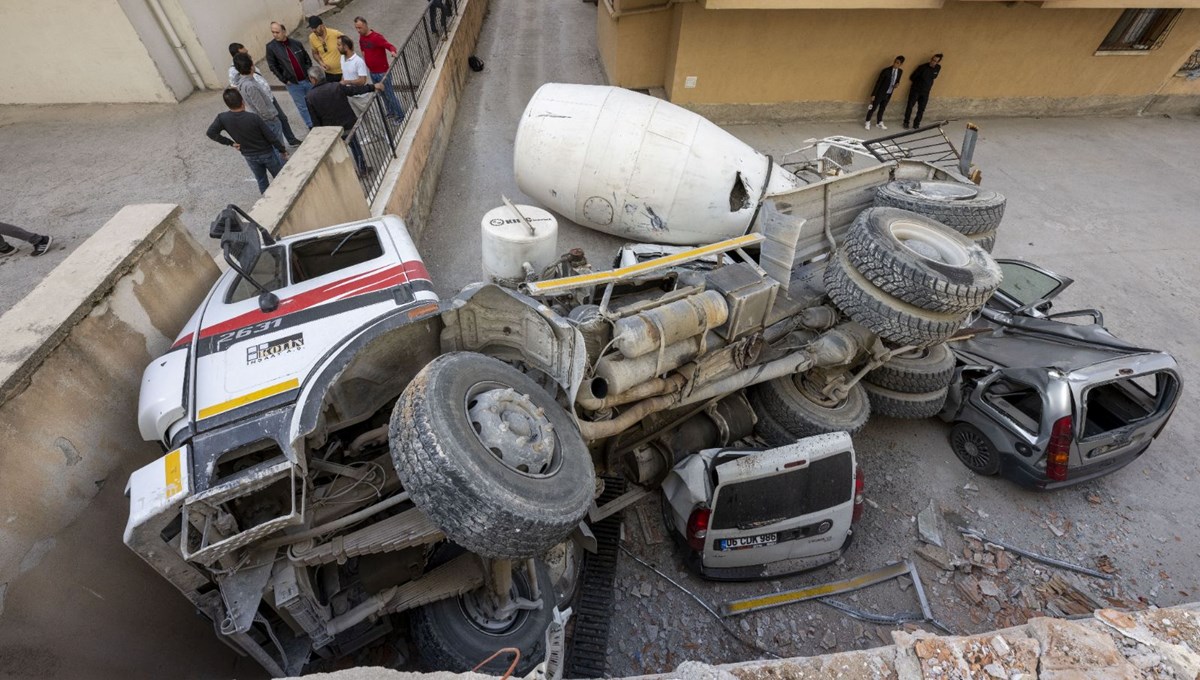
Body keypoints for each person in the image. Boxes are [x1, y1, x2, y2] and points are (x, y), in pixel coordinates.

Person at [207, 88, 289, 194]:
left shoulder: (222, 118)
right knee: (279, 178)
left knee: (262, 181)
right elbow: (271, 137)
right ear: (242, 102)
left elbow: (211, 133)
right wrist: (282, 150)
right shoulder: (253, 118)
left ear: (227, 104)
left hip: (249, 155)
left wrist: (230, 143)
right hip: (266, 153)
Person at [304, 66, 384, 172]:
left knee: (339, 153)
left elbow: (315, 120)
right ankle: (362, 168)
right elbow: (355, 90)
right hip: (347, 124)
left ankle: (348, 172)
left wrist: (321, 135)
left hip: (332, 131)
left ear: (313, 79)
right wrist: (373, 87)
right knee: (355, 147)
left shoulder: (310, 97)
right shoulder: (337, 86)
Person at [229, 42, 302, 146]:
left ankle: (290, 140)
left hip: (268, 96)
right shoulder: (235, 71)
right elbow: (236, 87)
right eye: (244, 53)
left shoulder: (248, 62)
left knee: (282, 118)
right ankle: (279, 149)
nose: (248, 54)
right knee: (273, 126)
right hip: (259, 99)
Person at [232, 53, 291, 150]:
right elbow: (261, 108)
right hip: (269, 120)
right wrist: (272, 118)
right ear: (251, 66)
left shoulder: (242, 82)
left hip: (266, 120)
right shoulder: (250, 85)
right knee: (278, 148)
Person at [354, 17, 405, 121]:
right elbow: (363, 50)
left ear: (365, 25)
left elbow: (389, 46)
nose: (358, 30)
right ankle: (390, 112)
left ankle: (400, 115)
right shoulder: (361, 38)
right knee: (382, 94)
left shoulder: (376, 37)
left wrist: (393, 52)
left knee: (389, 95)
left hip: (382, 73)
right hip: (372, 72)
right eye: (356, 28)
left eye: (360, 27)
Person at [265, 22, 315, 129]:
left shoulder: (296, 43)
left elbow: (307, 59)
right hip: (293, 83)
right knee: (302, 106)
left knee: (314, 102)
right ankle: (311, 125)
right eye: (273, 32)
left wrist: (309, 72)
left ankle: (319, 122)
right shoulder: (271, 47)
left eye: (277, 32)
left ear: (284, 31)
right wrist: (284, 80)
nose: (275, 35)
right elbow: (272, 66)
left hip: (307, 79)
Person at [865, 55, 905, 131]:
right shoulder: (886, 71)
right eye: (895, 62)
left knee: (882, 108)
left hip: (889, 92)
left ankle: (879, 122)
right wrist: (873, 94)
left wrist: (897, 84)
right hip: (880, 92)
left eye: (897, 63)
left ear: (901, 64)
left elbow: (898, 80)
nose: (895, 64)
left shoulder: (900, 72)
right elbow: (878, 83)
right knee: (873, 107)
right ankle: (867, 122)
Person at [904, 54, 943, 130]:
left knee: (921, 109)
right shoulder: (922, 67)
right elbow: (912, 77)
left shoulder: (938, 68)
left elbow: (934, 76)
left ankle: (916, 124)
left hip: (926, 92)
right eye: (932, 60)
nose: (933, 62)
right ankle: (906, 122)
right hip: (916, 90)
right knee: (910, 106)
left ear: (938, 62)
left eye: (935, 61)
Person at [308, 16, 344, 82]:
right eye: (312, 28)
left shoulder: (335, 34)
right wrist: (321, 63)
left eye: (315, 27)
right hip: (328, 74)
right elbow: (315, 53)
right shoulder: (312, 38)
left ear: (322, 25)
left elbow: (349, 46)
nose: (313, 30)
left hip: (343, 72)